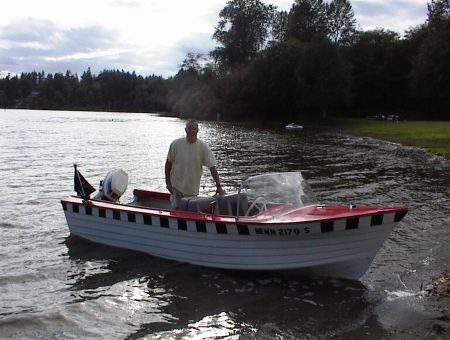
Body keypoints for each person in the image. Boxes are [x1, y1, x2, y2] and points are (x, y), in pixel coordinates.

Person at [165, 119, 225, 209]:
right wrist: (168, 183)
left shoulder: (203, 147)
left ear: (197, 130)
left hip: (192, 190)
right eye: (189, 128)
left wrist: (218, 186)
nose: (191, 130)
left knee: (189, 213)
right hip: (176, 187)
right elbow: (168, 164)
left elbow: (212, 168)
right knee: (176, 210)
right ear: (185, 130)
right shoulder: (176, 144)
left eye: (193, 128)